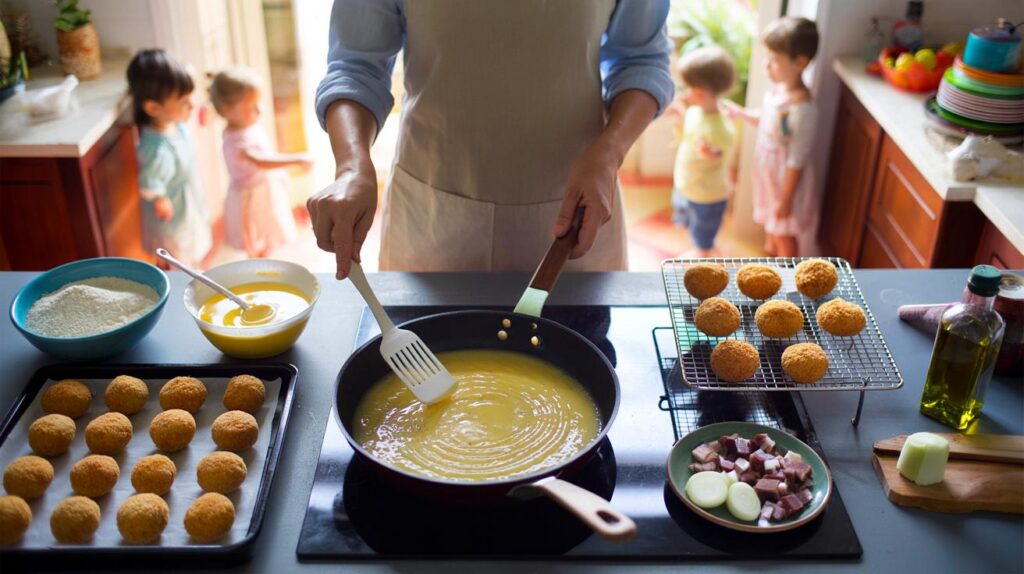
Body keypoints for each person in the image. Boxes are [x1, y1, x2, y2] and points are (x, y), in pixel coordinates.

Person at [308, 1, 674, 279]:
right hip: (433, 212)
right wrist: (352, 165)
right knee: (424, 374)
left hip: (574, 212)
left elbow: (640, 62)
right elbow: (355, 67)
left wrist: (609, 153)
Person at [724, 17, 819, 257]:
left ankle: (793, 281)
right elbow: (769, 120)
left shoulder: (803, 110)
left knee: (782, 233)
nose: (767, 67)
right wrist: (743, 114)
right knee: (771, 228)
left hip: (785, 183)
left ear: (800, 62)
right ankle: (773, 267)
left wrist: (785, 199)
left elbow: (796, 159)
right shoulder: (778, 92)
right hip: (769, 178)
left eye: (774, 61)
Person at [209, 68, 310, 257]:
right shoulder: (237, 142)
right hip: (251, 198)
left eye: (258, 104)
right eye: (250, 108)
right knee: (253, 238)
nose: (259, 111)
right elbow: (262, 162)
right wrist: (296, 159)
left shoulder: (247, 126)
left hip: (263, 191)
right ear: (227, 110)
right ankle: (257, 264)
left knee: (267, 233)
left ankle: (265, 255)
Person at [127, 49, 212, 267]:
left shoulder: (171, 123)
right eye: (184, 101)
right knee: (178, 260)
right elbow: (149, 183)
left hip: (186, 205)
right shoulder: (158, 150)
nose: (191, 105)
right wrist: (159, 199)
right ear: (153, 107)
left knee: (191, 250)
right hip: (173, 216)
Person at [669, 46, 737, 258]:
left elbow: (722, 150)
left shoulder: (721, 127)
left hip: (707, 196)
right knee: (692, 227)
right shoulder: (695, 112)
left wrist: (712, 153)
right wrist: (679, 119)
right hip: (688, 186)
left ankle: (703, 255)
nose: (684, 92)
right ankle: (702, 249)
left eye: (686, 87)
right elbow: (686, 137)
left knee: (703, 234)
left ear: (699, 92)